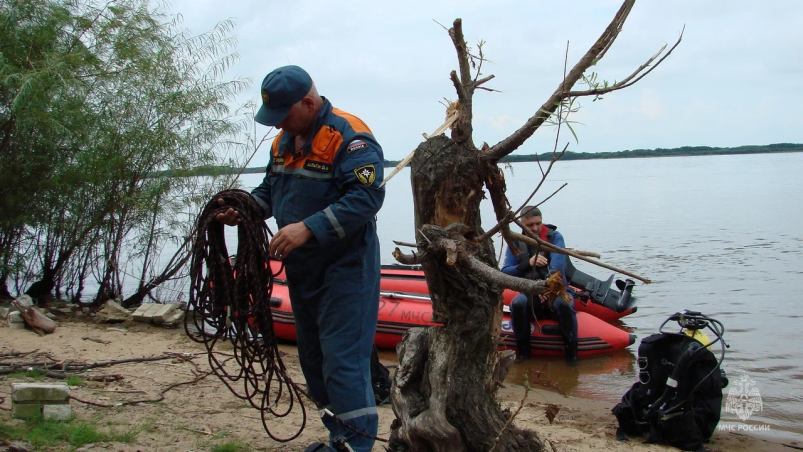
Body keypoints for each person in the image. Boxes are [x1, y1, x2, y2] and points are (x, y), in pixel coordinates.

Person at [216, 65, 385, 452]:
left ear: (308, 103)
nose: (279, 127)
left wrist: (307, 227)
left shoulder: (350, 136)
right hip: (303, 270)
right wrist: (245, 208)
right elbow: (270, 191)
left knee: (343, 360)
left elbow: (367, 198)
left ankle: (356, 446)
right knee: (313, 359)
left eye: (284, 117)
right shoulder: (283, 143)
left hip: (346, 269)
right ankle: (340, 436)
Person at [501, 206, 579, 365]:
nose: (535, 228)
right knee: (517, 304)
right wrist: (527, 264)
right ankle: (524, 354)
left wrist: (544, 288)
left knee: (564, 304)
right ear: (522, 225)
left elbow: (557, 268)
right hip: (531, 294)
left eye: (538, 223)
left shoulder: (555, 237)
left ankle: (572, 358)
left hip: (555, 291)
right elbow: (506, 271)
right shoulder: (515, 241)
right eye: (530, 225)